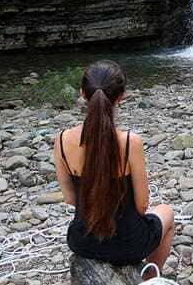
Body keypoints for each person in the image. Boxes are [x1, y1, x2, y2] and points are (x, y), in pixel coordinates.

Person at [53, 60, 174, 278]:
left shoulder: (61, 140)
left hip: (82, 242)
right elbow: (141, 205)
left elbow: (70, 199)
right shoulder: (130, 142)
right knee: (167, 213)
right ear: (121, 96)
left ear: (82, 93)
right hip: (129, 245)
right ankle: (149, 278)